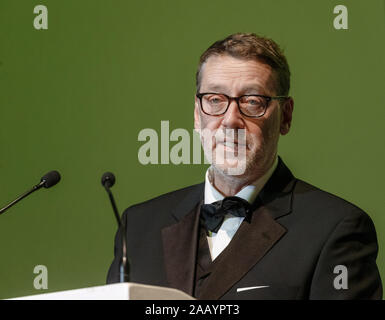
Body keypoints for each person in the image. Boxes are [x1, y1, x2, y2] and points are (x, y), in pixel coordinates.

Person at [107, 33, 382, 299]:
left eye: (252, 102)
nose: (230, 120)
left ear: (285, 116)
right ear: (196, 113)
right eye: (215, 100)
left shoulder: (336, 228)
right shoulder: (138, 227)